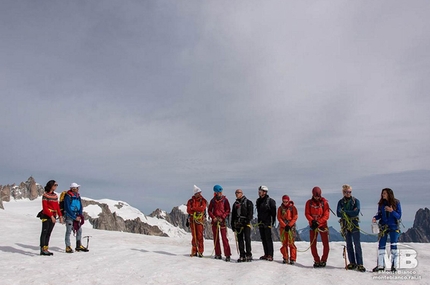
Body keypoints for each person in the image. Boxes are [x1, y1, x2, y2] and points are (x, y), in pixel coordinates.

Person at [372, 188, 402, 272]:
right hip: (383, 226)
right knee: (381, 245)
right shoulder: (381, 204)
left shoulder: (396, 203)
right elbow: (380, 214)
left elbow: (399, 216)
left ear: (389, 194)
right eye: (382, 193)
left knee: (394, 246)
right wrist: (375, 218)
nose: (383, 195)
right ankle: (381, 265)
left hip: (393, 226)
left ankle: (394, 265)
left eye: (384, 193)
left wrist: (392, 211)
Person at [336, 184, 365, 272]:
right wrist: (350, 212)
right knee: (349, 244)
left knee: (357, 244)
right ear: (343, 192)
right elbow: (338, 213)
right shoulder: (341, 202)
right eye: (346, 192)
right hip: (346, 225)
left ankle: (360, 263)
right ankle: (352, 262)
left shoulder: (356, 201)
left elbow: (356, 212)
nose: (347, 193)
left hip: (353, 224)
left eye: (349, 192)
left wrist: (345, 212)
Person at [305, 186, 330, 268]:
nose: (317, 197)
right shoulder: (309, 203)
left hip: (322, 225)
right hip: (313, 225)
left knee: (325, 243)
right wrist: (312, 221)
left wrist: (318, 222)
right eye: (316, 196)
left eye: (318, 196)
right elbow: (307, 213)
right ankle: (316, 260)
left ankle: (323, 260)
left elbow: (326, 215)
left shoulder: (324, 203)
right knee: (313, 244)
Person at [208, 184, 232, 261]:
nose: (220, 193)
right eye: (219, 192)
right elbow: (209, 210)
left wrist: (223, 217)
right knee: (216, 238)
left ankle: (227, 254)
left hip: (222, 221)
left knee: (224, 238)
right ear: (215, 192)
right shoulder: (212, 201)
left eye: (220, 192)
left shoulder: (225, 200)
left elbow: (228, 210)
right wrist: (213, 217)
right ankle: (218, 254)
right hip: (215, 221)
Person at [39, 180, 63, 256]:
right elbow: (45, 207)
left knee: (49, 233)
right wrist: (51, 216)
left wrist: (60, 216)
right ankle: (42, 249)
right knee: (44, 232)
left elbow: (57, 207)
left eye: (56, 185)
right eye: (55, 185)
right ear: (51, 185)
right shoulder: (45, 195)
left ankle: (46, 248)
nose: (56, 186)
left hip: (53, 215)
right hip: (47, 215)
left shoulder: (55, 196)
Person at [64, 182, 89, 253]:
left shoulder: (78, 196)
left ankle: (78, 245)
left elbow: (80, 206)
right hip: (70, 216)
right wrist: (75, 217)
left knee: (79, 230)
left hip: (76, 216)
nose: (78, 189)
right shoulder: (68, 196)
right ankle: (68, 246)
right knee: (68, 231)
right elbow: (67, 207)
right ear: (73, 188)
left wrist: (80, 215)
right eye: (77, 188)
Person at [231, 189, 254, 262]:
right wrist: (233, 225)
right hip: (238, 224)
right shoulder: (235, 204)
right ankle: (242, 255)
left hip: (246, 223)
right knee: (240, 240)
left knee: (247, 239)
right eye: (236, 193)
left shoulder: (248, 202)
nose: (237, 194)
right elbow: (233, 215)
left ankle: (248, 254)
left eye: (238, 193)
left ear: (242, 193)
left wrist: (246, 221)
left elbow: (250, 214)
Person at [256, 185, 276, 261]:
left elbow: (273, 213)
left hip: (267, 222)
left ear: (264, 192)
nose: (259, 192)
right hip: (261, 222)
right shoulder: (258, 201)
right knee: (263, 238)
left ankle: (270, 254)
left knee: (268, 238)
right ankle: (266, 253)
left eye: (260, 191)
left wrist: (272, 222)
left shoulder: (270, 201)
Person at [187, 185, 207, 257]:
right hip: (193, 220)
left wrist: (194, 209)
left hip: (199, 220)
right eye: (198, 193)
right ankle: (194, 251)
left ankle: (200, 251)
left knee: (200, 236)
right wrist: (196, 209)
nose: (199, 194)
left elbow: (202, 208)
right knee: (194, 236)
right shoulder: (190, 201)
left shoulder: (203, 200)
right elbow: (188, 210)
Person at [277, 195, 298, 265]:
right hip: (283, 228)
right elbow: (279, 218)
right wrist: (284, 225)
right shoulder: (280, 208)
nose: (285, 203)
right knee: (284, 243)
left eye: (286, 201)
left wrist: (289, 225)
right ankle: (285, 257)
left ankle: (292, 258)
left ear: (288, 201)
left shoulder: (292, 208)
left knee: (291, 243)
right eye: (284, 201)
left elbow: (295, 217)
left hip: (291, 228)